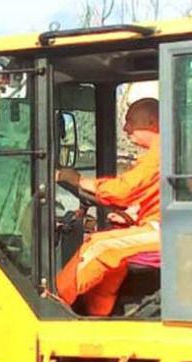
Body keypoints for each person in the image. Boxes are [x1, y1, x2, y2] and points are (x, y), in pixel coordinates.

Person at [55, 97, 161, 316]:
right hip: (159, 225)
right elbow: (153, 196)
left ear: (152, 123)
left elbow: (122, 191)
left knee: (98, 247)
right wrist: (131, 215)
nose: (125, 128)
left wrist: (80, 181)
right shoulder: (162, 153)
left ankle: (52, 304)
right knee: (113, 262)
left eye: (130, 121)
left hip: (165, 232)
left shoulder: (160, 153)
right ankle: (97, 316)